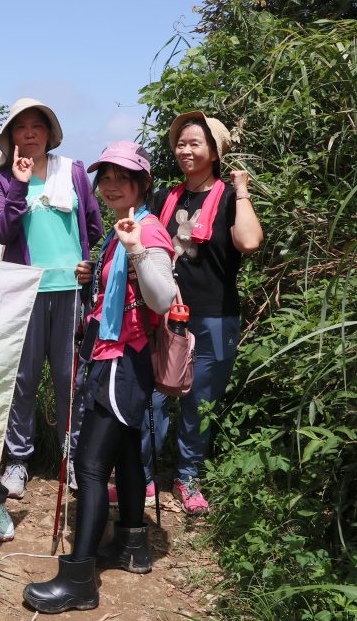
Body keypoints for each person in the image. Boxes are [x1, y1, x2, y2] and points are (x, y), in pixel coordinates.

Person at [23, 141, 175, 613]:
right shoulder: (123, 228)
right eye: (104, 176)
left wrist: (137, 252)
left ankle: (79, 579)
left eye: (122, 177)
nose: (110, 184)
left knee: (89, 467)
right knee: (128, 454)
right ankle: (132, 545)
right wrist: (101, 269)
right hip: (122, 358)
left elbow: (162, 298)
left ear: (142, 184)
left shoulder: (146, 232)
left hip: (120, 360)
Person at [0, 98, 103, 541]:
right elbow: (0, 231)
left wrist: (88, 265)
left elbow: (91, 225)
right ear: (12, 135)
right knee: (24, 378)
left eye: (38, 126)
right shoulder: (2, 178)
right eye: (22, 128)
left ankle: (72, 456)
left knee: (70, 377)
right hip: (26, 293)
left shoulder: (71, 171)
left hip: (69, 290)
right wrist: (17, 187)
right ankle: (17, 460)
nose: (30, 134)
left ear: (50, 133)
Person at [141, 111, 263, 515]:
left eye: (195, 143)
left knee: (200, 399)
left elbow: (248, 242)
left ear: (215, 150)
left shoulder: (229, 197)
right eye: (181, 143)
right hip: (163, 314)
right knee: (153, 396)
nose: (185, 150)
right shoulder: (164, 197)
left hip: (213, 315)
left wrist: (242, 190)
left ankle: (187, 475)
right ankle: (142, 474)